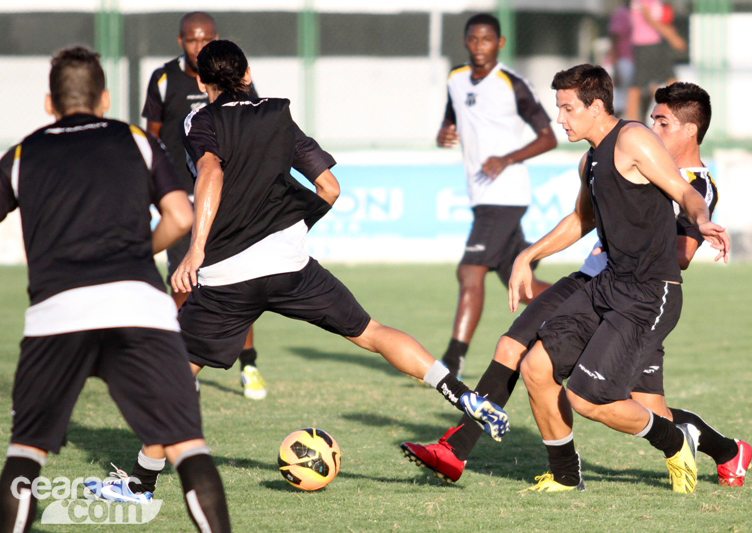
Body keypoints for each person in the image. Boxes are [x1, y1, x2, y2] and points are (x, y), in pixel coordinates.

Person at [90, 40, 509, 502]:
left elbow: (210, 174)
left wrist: (195, 251)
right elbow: (329, 187)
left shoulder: (200, 120)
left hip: (228, 275)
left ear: (203, 82)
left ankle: (140, 483)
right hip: (291, 265)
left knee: (176, 374)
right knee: (372, 332)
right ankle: (463, 395)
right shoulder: (278, 114)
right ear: (247, 74)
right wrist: (293, 227)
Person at [401, 81, 752, 489]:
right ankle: (462, 451)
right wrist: (528, 254)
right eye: (653, 120)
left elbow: (682, 255)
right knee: (514, 349)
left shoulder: (695, 182)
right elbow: (583, 219)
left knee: (644, 408)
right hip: (594, 282)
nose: (654, 130)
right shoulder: (613, 157)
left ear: (690, 130)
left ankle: (727, 451)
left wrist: (630, 238)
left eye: (663, 123)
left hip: (639, 295)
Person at [0, 47, 230, 533]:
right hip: (139, 307)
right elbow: (181, 216)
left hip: (57, 313)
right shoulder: (136, 140)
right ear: (104, 99)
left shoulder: (22, 154)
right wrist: (139, 252)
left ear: (49, 103)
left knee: (26, 452)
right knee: (187, 446)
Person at [511, 65, 729, 494]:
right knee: (535, 367)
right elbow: (581, 219)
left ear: (596, 106)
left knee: (586, 398)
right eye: (559, 108)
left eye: (568, 108)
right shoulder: (591, 158)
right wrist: (528, 254)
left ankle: (674, 439)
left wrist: (702, 220)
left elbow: (685, 191)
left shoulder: (633, 139)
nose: (560, 118)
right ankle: (565, 475)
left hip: (649, 292)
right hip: (608, 284)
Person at [142, 11, 266, 400]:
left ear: (216, 38)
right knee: (183, 281)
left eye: (205, 39)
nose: (199, 45)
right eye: (192, 39)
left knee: (238, 282)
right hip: (182, 199)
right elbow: (152, 139)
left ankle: (249, 365)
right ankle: (184, 366)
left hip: (228, 198)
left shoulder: (235, 77)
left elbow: (252, 127)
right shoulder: (163, 79)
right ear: (180, 42)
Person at [437, 13, 557, 378]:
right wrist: (444, 133)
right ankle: (587, 307)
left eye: (487, 39)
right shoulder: (456, 79)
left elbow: (548, 138)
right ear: (465, 41)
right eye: (473, 39)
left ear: (500, 43)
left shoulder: (513, 84)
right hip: (481, 195)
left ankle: (452, 361)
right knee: (521, 286)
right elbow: (451, 118)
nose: (479, 46)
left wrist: (507, 158)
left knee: (469, 271)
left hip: (505, 194)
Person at [626, 0, 687, 121]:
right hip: (646, 45)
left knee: (668, 80)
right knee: (637, 86)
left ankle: (678, 115)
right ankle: (630, 122)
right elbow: (649, 18)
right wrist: (673, 37)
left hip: (657, 44)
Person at [607, 0, 634, 116]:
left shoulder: (641, 13)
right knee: (622, 96)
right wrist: (615, 63)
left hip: (637, 59)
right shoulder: (622, 13)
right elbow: (615, 38)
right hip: (624, 58)